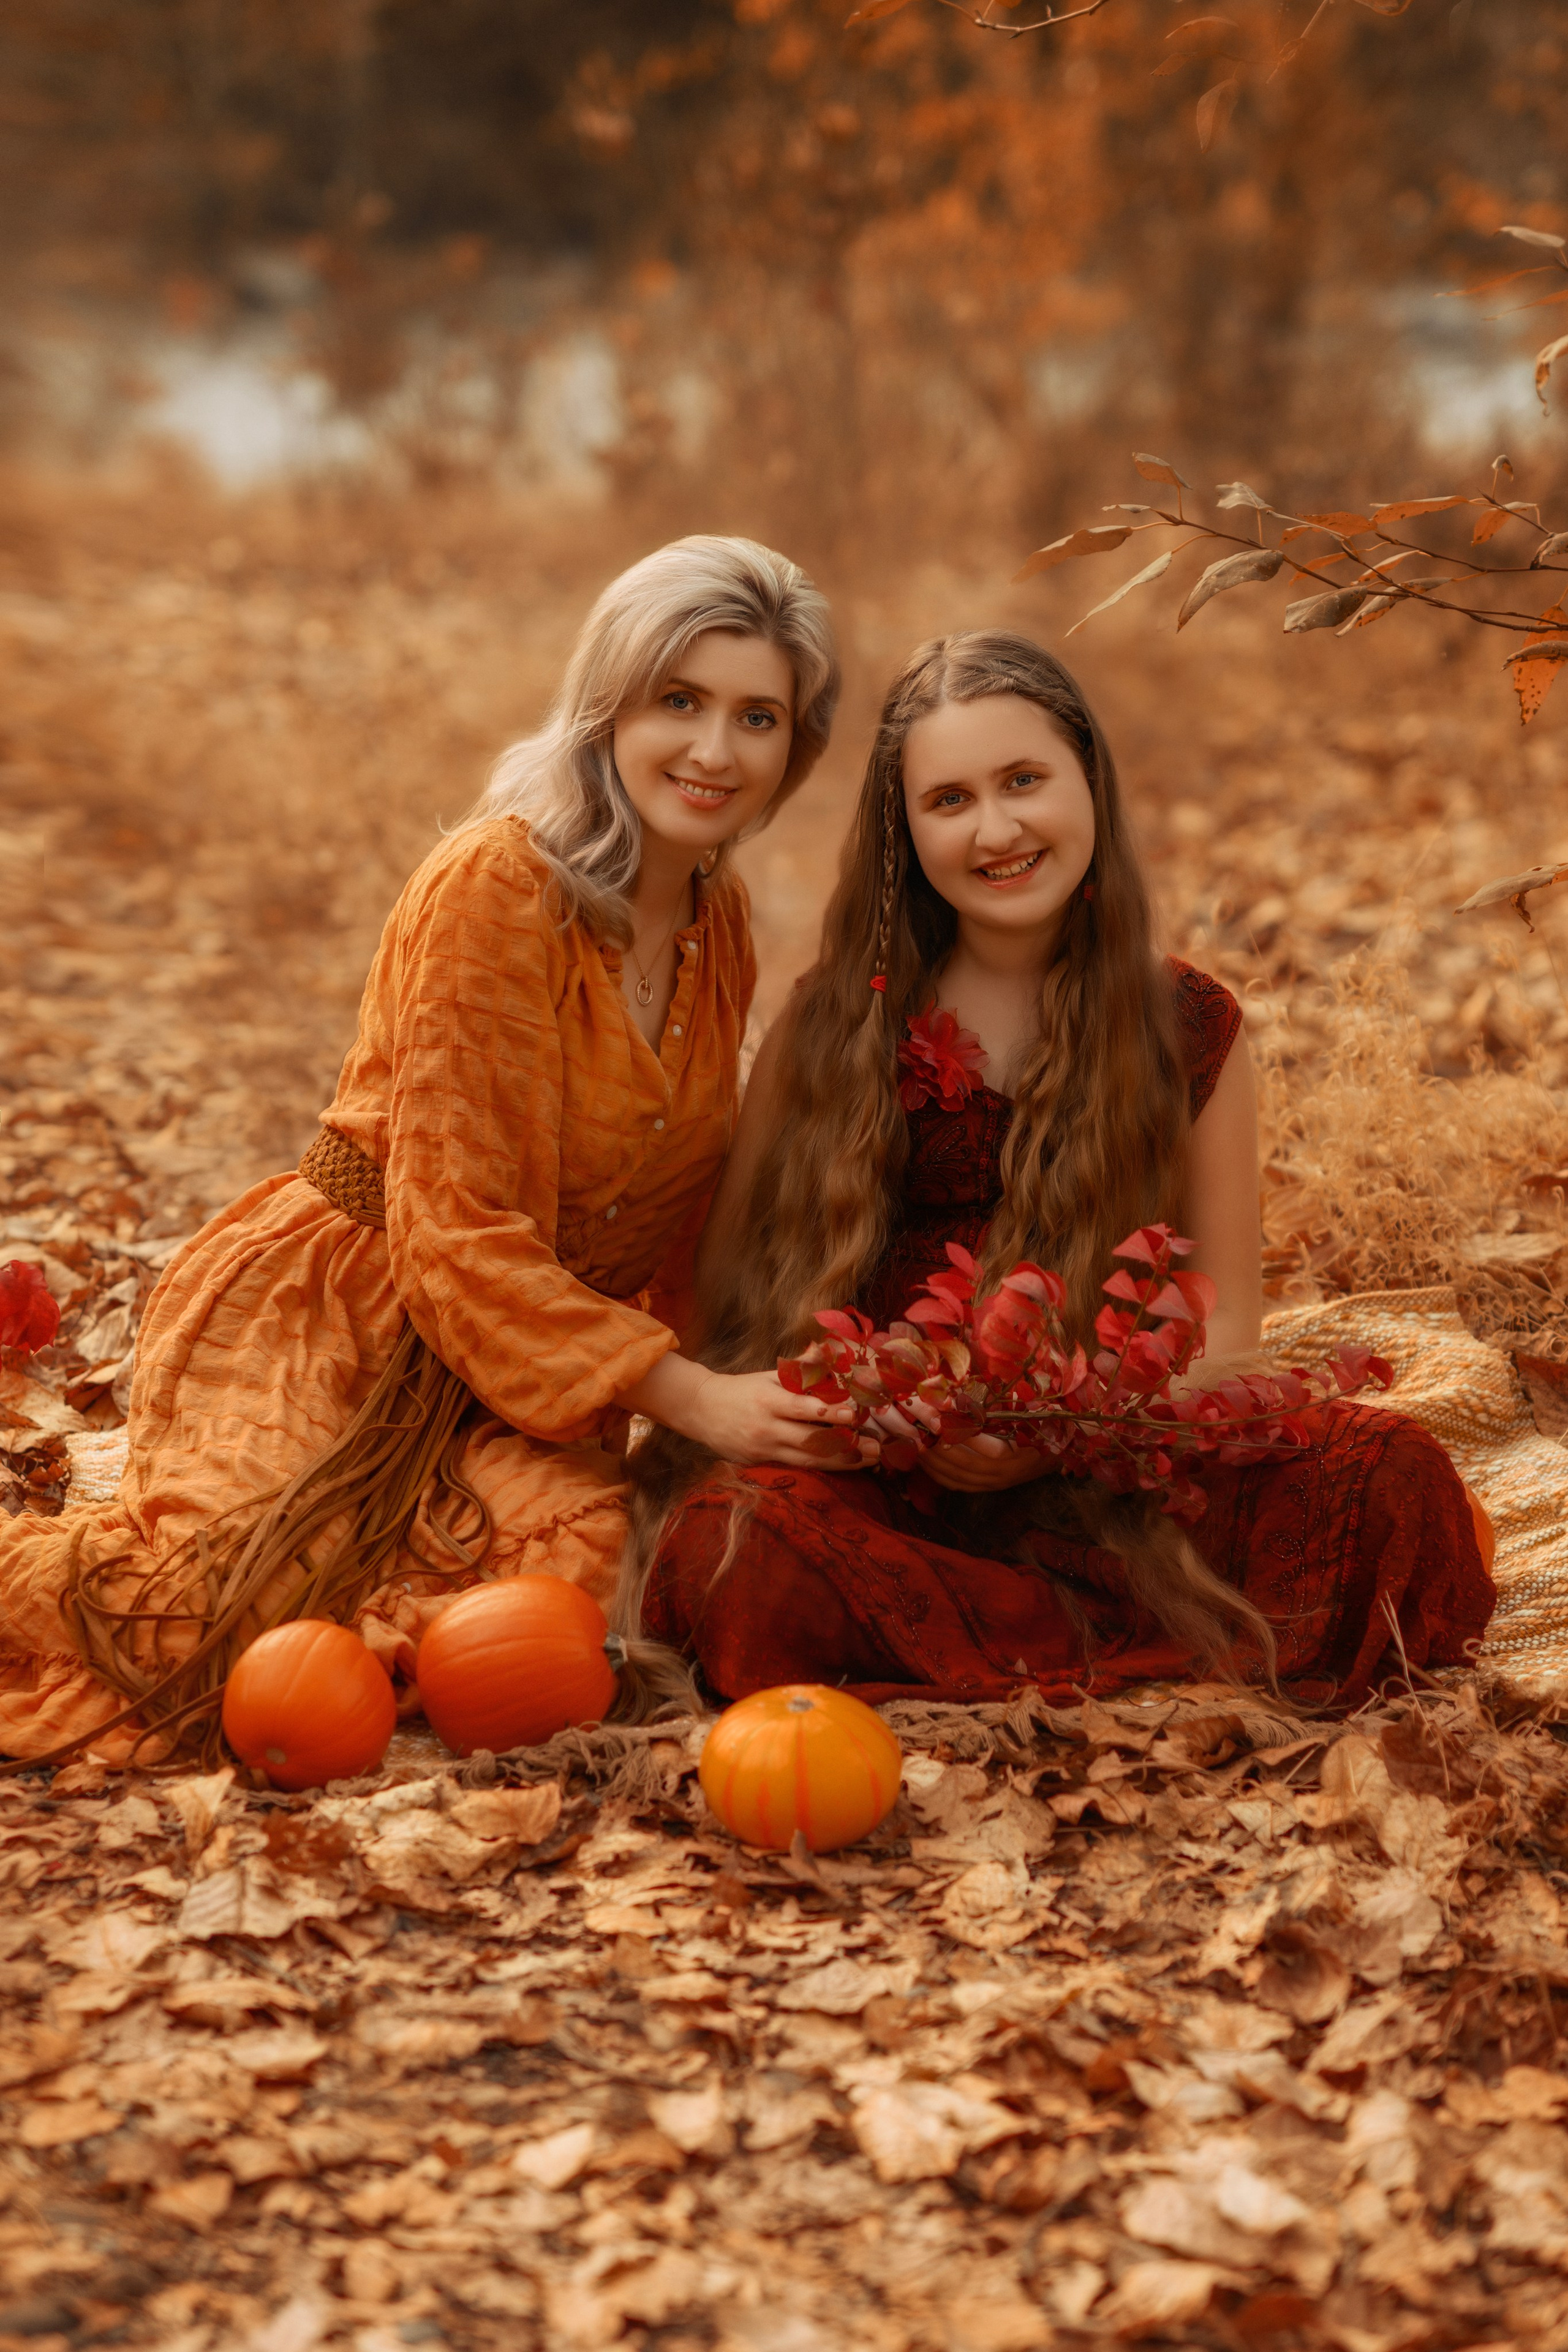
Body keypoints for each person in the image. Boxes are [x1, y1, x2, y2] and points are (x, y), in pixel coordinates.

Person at [0, 534, 848, 1766]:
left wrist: (760, 1378)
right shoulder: (498, 885)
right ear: (608, 704)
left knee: (581, 1585)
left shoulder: (719, 927)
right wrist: (692, 1392)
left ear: (793, 749)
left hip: (533, 1378)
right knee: (201, 1627)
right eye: (680, 701)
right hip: (347, 1315)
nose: (714, 751)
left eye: (756, 717)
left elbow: (683, 1210)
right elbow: (452, 1232)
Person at [631, 630, 1496, 1708]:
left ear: (1089, 776)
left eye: (1024, 780)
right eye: (949, 800)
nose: (996, 829)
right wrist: (858, 1410)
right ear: (906, 830)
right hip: (872, 1486)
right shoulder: (831, 1020)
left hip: (1103, 1478)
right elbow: (726, 1302)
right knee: (738, 1545)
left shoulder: (1188, 1024)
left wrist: (1060, 1437)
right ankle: (987, 1639)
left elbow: (1227, 1335)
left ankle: (1006, 1644)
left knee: (1391, 1481)